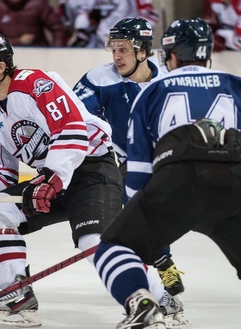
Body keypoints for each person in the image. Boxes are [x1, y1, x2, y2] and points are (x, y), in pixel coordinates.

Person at [0, 33, 182, 327]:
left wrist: (52, 177)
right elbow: (0, 172)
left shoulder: (34, 83)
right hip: (52, 181)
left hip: (91, 170)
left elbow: (72, 130)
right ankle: (17, 294)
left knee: (95, 242)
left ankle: (154, 299)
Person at [93, 17, 241, 329]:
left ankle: (141, 301)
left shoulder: (152, 92)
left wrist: (141, 220)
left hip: (175, 183)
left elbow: (140, 173)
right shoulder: (237, 85)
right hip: (235, 183)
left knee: (112, 248)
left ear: (171, 56)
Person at [73, 17, 187, 301]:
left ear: (142, 51)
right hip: (116, 159)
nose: (116, 56)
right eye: (113, 49)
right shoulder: (100, 79)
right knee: (132, 212)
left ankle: (161, 261)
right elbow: (73, 118)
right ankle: (153, 267)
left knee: (153, 209)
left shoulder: (167, 81)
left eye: (123, 49)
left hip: (159, 158)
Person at [58, 0, 159, 48]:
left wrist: (130, 34)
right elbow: (85, 21)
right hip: (96, 49)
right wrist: (82, 33)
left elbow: (151, 17)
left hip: (127, 48)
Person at [0, 0, 65, 46]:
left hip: (38, 52)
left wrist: (57, 51)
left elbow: (57, 28)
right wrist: (19, 41)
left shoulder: (38, 4)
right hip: (8, 55)